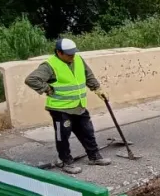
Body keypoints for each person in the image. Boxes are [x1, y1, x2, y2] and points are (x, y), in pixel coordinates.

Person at [25, 38, 111, 174]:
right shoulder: (49, 65)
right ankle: (66, 161)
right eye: (69, 54)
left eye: (73, 53)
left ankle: (94, 156)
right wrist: (47, 89)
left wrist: (97, 89)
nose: (72, 56)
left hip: (78, 105)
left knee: (87, 131)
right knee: (63, 136)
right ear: (59, 52)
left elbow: (88, 75)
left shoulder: (78, 59)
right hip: (60, 108)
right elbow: (31, 79)